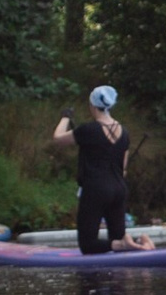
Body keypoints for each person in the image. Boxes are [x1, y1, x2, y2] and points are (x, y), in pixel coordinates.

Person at [53, 86, 131, 256]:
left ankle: (120, 245)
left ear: (92, 106)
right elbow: (123, 167)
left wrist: (66, 117)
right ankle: (127, 243)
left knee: (87, 245)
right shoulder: (124, 132)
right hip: (119, 189)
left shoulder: (88, 130)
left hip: (96, 190)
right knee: (117, 237)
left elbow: (58, 138)